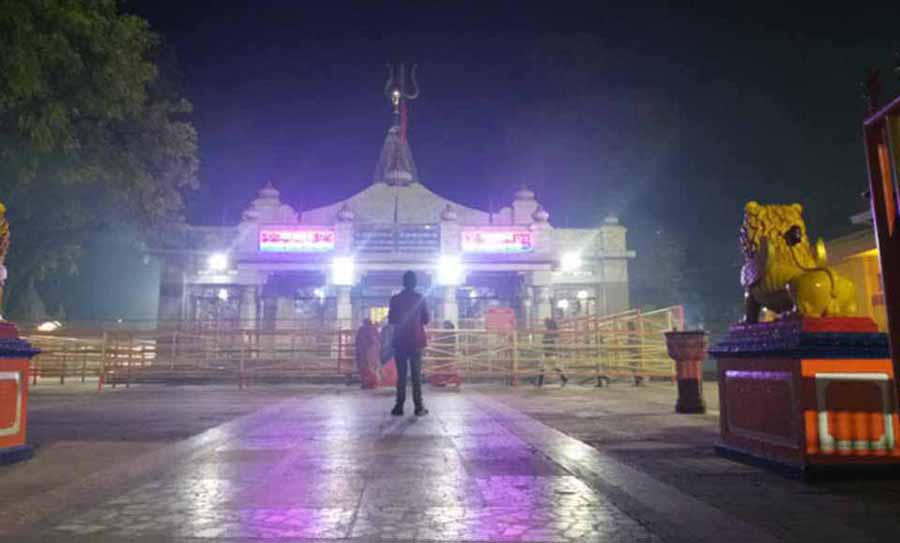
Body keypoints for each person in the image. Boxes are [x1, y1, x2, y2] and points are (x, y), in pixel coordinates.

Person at [387, 270, 430, 416]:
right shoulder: (420, 298)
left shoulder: (395, 299)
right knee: (416, 375)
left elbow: (391, 319)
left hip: (400, 340)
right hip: (416, 341)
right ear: (415, 283)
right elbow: (426, 319)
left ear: (403, 283)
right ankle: (418, 406)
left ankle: (399, 406)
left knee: (401, 376)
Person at [538, 317, 568, 387]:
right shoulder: (549, 332)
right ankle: (540, 383)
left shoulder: (551, 333)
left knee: (548, 367)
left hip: (551, 352)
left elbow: (555, 343)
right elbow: (546, 342)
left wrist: (556, 351)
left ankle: (540, 383)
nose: (545, 325)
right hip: (548, 352)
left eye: (546, 324)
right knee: (548, 367)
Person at [354, 318, 381, 389]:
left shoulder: (361, 330)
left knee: (363, 367)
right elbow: (376, 340)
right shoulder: (372, 330)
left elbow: (357, 341)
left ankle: (366, 383)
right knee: (370, 367)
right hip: (368, 352)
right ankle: (370, 383)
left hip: (363, 352)